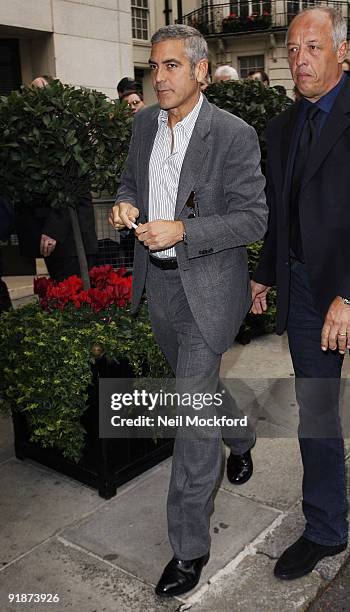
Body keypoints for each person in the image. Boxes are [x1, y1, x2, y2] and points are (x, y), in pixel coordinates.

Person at [109, 24, 267, 597]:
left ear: (201, 70)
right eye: (156, 67)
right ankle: (243, 437)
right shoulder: (144, 123)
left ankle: (187, 549)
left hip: (209, 289)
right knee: (192, 390)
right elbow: (130, 181)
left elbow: (254, 219)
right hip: (159, 288)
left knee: (191, 420)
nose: (161, 78)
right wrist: (124, 203)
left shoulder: (233, 135)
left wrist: (186, 230)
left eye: (172, 66)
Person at [251, 7, 350, 580]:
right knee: (316, 413)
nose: (299, 60)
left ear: (341, 50)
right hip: (307, 296)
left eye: (311, 48)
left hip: (345, 289)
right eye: (292, 50)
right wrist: (267, 272)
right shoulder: (283, 126)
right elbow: (281, 213)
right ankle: (326, 528)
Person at [16, 76, 98, 282]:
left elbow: (73, 186)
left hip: (70, 239)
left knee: (75, 300)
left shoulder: (69, 130)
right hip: (53, 239)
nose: (36, 98)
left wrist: (53, 231)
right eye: (32, 93)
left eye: (41, 92)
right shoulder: (36, 132)